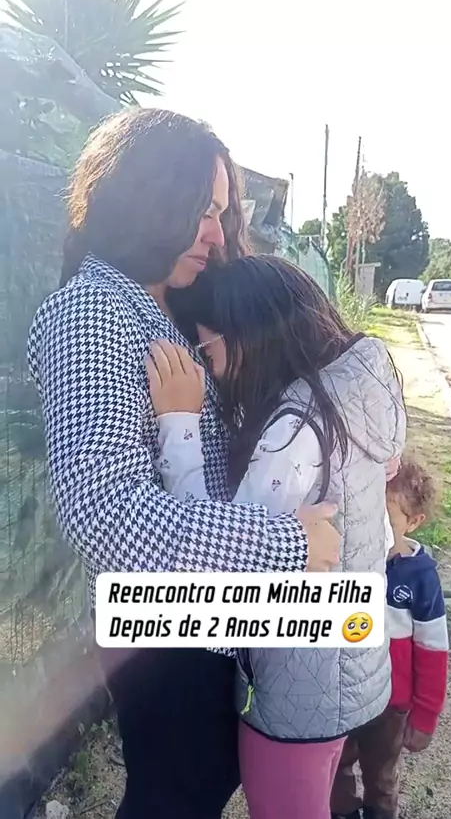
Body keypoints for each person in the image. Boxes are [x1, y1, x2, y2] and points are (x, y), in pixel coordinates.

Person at [26, 109, 340, 819]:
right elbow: (105, 514)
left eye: (221, 213)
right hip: (161, 629)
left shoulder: (166, 300)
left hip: (209, 610)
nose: (216, 233)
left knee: (204, 778)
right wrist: (285, 545)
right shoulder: (93, 313)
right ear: (146, 197)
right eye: (202, 210)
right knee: (177, 791)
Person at [146, 253, 407, 819]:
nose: (211, 371)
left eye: (209, 351)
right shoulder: (355, 388)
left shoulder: (294, 432)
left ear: (251, 338)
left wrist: (179, 423)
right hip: (344, 670)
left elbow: (220, 562)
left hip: (297, 690)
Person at [331, 459, 449, 819]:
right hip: (344, 695)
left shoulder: (421, 579)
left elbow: (433, 652)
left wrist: (425, 716)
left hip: (390, 707)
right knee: (334, 770)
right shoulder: (348, 559)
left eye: (387, 518)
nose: (374, 526)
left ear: (414, 522)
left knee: (381, 778)